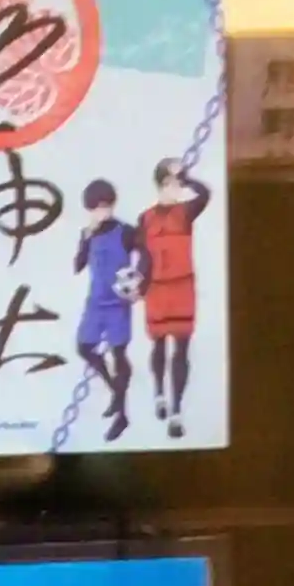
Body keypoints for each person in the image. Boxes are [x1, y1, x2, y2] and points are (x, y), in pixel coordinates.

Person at [138, 159, 210, 440]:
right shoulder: (145, 219)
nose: (174, 188)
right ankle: (159, 394)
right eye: (169, 183)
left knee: (181, 350)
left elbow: (205, 194)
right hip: (156, 289)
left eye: (177, 184)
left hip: (182, 288)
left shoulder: (186, 212)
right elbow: (142, 257)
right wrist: (138, 284)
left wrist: (187, 177)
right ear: (159, 185)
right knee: (158, 344)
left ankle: (176, 411)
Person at [74, 179, 146, 444]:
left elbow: (148, 254)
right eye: (95, 207)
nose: (101, 212)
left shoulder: (125, 231)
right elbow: (77, 266)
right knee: (84, 347)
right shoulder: (89, 233)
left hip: (118, 304)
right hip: (95, 302)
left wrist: (140, 284)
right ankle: (115, 389)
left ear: (112, 205)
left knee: (118, 354)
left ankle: (122, 415)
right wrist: (85, 240)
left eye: (105, 206)